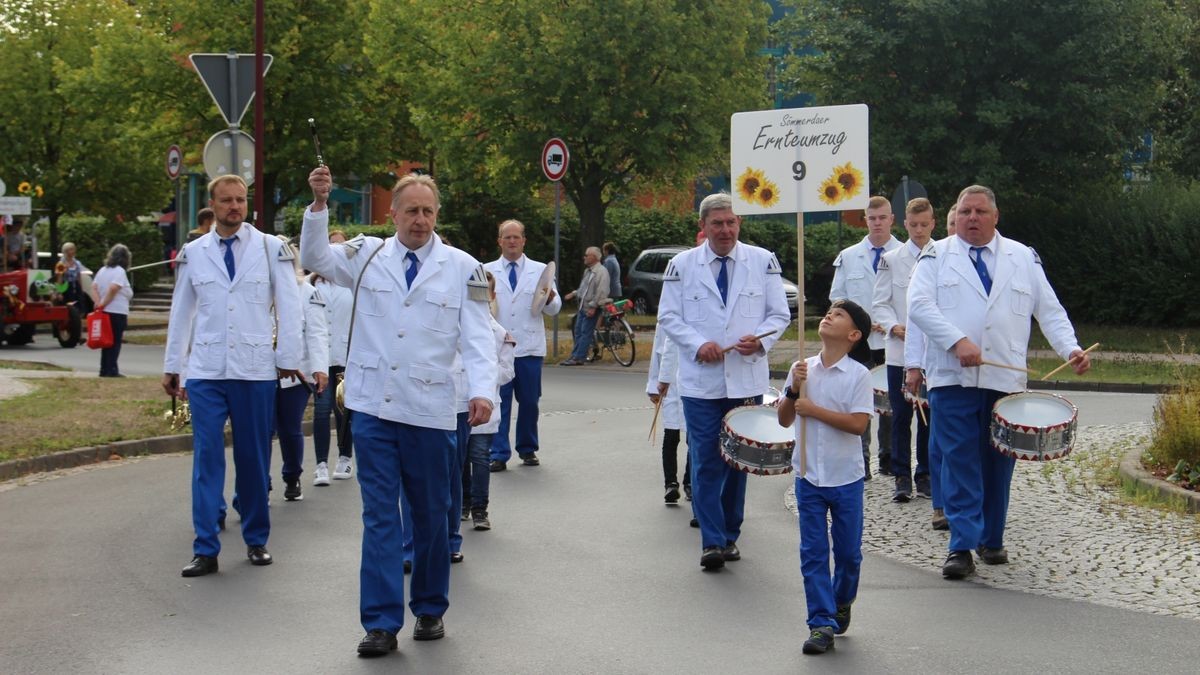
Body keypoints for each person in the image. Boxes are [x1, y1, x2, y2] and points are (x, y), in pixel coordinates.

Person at [304, 165, 495, 657]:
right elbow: (313, 256)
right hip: (373, 407)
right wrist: (321, 204)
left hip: (431, 409)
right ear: (393, 213)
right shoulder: (366, 256)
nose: (420, 220)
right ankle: (381, 622)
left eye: (428, 211)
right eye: (411, 210)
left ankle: (429, 608)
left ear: (437, 215)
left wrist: (482, 392)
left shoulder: (464, 267)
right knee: (380, 516)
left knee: (431, 516)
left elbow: (477, 338)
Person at [908, 185, 1090, 580]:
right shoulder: (936, 254)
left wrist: (1070, 349)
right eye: (965, 211)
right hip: (953, 377)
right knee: (959, 458)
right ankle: (961, 545)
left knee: (998, 459)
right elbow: (918, 306)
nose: (972, 218)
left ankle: (992, 538)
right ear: (956, 215)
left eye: (980, 211)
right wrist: (957, 341)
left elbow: (1049, 308)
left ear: (995, 216)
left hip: (1004, 375)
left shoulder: (1022, 257)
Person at [163, 174, 303, 578]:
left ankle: (256, 539)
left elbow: (289, 305)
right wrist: (174, 366)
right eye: (226, 201)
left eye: (240, 200)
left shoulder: (271, 247)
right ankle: (205, 546)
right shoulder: (193, 252)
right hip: (206, 370)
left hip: (254, 369)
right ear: (212, 205)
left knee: (253, 457)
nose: (234, 207)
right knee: (207, 458)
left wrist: (288, 355)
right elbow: (182, 312)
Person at [657, 192, 790, 570]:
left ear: (739, 224)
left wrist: (760, 340)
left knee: (737, 459)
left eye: (731, 222)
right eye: (717, 223)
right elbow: (668, 317)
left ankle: (731, 533)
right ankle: (711, 541)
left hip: (746, 380)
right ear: (704, 227)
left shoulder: (762, 262)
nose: (725, 230)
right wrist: (698, 345)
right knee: (706, 458)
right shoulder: (681, 265)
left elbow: (779, 315)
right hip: (702, 382)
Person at [777, 300, 874, 655]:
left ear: (853, 335)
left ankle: (842, 599)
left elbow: (858, 425)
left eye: (839, 314)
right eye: (829, 310)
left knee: (848, 554)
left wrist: (814, 410)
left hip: (845, 477)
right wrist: (792, 390)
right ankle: (820, 623)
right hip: (808, 476)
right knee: (813, 553)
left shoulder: (858, 375)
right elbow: (785, 419)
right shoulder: (801, 368)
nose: (829, 314)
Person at [830, 195, 902, 477]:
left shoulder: (905, 253)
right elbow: (837, 298)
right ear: (865, 220)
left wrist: (892, 322)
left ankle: (888, 457)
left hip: (891, 339)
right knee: (859, 400)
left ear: (892, 219)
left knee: (891, 402)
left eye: (883, 218)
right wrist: (859, 321)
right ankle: (861, 459)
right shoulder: (849, 256)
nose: (877, 223)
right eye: (872, 218)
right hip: (859, 342)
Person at [871, 198, 935, 502]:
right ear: (905, 224)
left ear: (933, 223)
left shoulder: (942, 255)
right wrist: (893, 326)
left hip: (932, 353)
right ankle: (901, 476)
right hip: (899, 350)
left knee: (929, 416)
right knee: (900, 415)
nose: (919, 230)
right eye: (914, 225)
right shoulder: (892, 258)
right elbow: (879, 302)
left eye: (925, 225)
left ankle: (925, 473)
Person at [485, 219, 560, 469]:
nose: (512, 241)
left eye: (516, 237)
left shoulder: (541, 270)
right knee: (500, 401)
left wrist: (549, 298)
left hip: (529, 347)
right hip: (498, 347)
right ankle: (498, 452)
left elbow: (555, 308)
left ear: (524, 240)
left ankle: (527, 448)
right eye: (507, 237)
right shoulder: (485, 270)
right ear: (499, 241)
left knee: (529, 401)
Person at [904, 202, 958, 529]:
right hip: (936, 365)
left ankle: (964, 501)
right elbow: (916, 319)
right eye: (952, 223)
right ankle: (940, 504)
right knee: (938, 440)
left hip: (974, 367)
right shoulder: (932, 259)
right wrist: (913, 365)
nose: (956, 229)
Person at [273, 236, 330, 502]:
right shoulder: (257, 288)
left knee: (289, 427)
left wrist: (319, 368)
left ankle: (292, 475)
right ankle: (258, 482)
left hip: (297, 374)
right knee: (260, 429)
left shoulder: (307, 291)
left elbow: (317, 333)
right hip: (260, 372)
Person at [467, 272, 516, 530]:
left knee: (479, 458)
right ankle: (462, 502)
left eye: (485, 291)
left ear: (492, 296)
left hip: (485, 408)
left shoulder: (499, 333)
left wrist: (482, 375)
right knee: (457, 460)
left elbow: (507, 371)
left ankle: (479, 508)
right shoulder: (456, 327)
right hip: (456, 407)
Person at [311, 230, 355, 485]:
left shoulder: (352, 283)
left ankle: (345, 457)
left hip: (345, 356)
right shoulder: (312, 283)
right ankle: (320, 464)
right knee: (320, 410)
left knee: (343, 410)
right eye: (331, 245)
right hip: (320, 359)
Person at [646, 327, 691, 504]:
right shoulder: (664, 322)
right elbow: (657, 352)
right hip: (670, 387)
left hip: (692, 386)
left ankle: (690, 482)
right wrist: (653, 385)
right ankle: (670, 484)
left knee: (693, 439)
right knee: (671, 436)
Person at [560, 246, 610, 366]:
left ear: (594, 257)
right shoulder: (588, 271)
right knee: (578, 331)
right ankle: (575, 354)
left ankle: (579, 357)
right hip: (583, 306)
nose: (584, 257)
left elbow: (602, 292)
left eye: (587, 255)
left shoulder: (601, 272)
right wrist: (573, 294)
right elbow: (583, 288)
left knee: (585, 332)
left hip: (591, 307)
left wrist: (594, 307)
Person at [92, 244, 134, 377]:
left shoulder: (103, 270)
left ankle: (104, 369)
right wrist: (103, 303)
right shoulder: (119, 271)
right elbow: (113, 288)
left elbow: (94, 287)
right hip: (117, 311)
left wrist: (98, 302)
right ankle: (111, 370)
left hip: (105, 312)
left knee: (106, 342)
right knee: (114, 342)